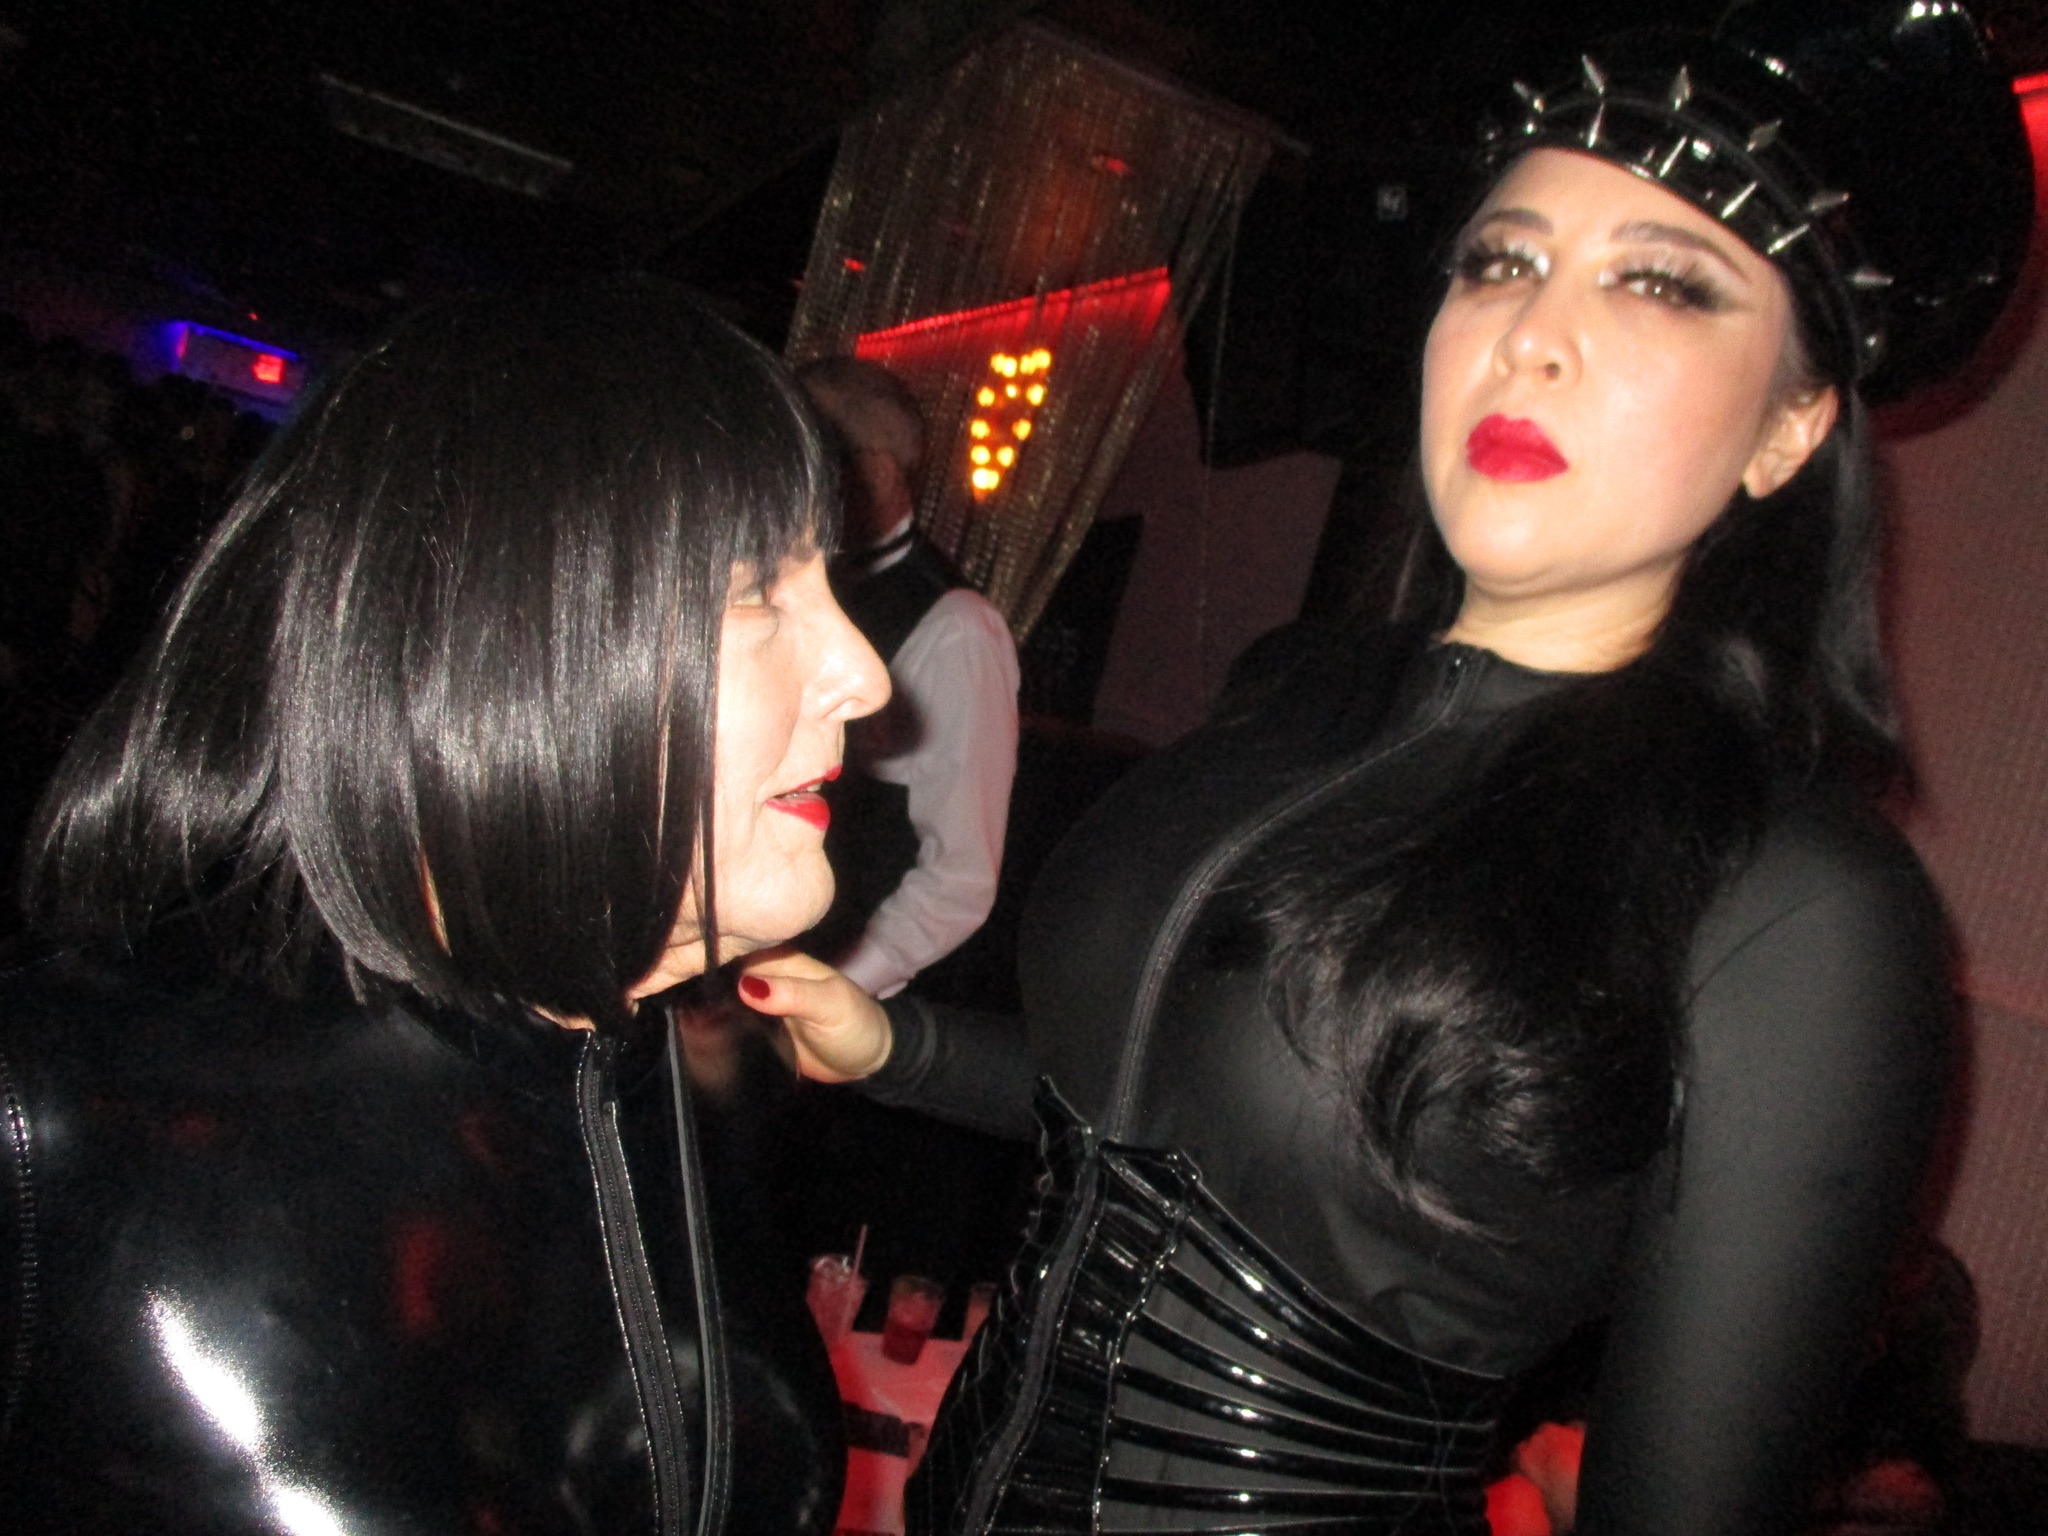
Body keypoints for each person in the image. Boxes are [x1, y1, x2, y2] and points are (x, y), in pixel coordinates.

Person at [736, 3, 2033, 1532]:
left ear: (1791, 429)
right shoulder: (1295, 699)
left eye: (1659, 283)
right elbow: (1171, 1121)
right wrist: (894, 1048)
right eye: (1501, 261)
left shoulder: (1794, 904)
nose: (1532, 333)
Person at [0, 277, 891, 1533]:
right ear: (497, 641)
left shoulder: (696, 1080)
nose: (863, 674)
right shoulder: (57, 1109)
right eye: (756, 588)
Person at [795, 356, 1020, 1002]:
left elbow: (960, 876)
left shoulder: (957, 628)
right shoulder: (791, 588)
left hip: (849, 1004)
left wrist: (830, 996)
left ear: (877, 471)